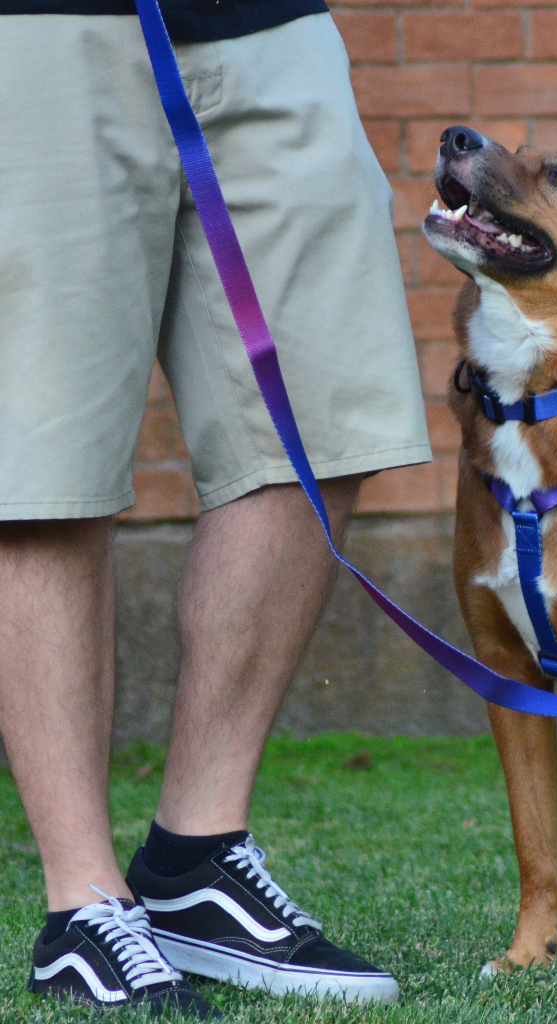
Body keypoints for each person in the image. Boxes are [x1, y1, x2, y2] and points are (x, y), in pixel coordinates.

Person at [0, 0, 430, 1014]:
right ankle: (83, 903)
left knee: (323, 421)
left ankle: (195, 857)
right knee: (47, 463)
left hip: (266, 22)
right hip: (35, 28)